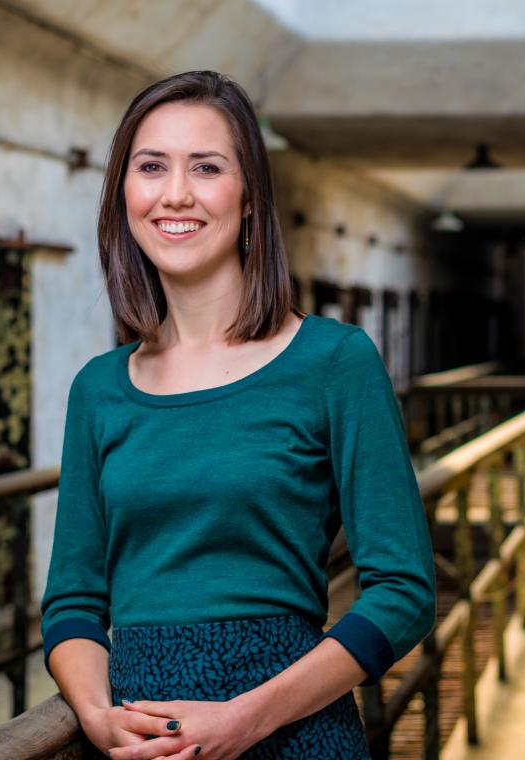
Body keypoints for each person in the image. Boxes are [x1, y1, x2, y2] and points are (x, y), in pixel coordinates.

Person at [40, 70, 436, 760]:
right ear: (124, 193)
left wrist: (248, 718)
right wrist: (99, 716)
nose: (176, 193)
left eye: (207, 168)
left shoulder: (334, 362)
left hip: (295, 731)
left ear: (249, 197)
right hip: (145, 742)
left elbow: (402, 591)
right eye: (151, 166)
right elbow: (73, 601)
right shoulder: (98, 390)